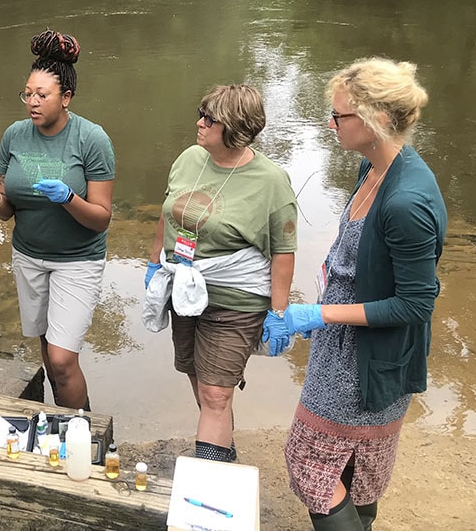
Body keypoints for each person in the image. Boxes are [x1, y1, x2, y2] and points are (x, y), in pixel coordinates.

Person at [264, 58, 447, 531]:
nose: (331, 123)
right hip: (343, 342)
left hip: (366, 357)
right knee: (355, 468)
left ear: (378, 119)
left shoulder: (407, 202)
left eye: (340, 115)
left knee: (309, 464)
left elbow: (415, 304)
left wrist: (318, 315)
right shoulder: (373, 167)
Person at [0, 29, 115, 410]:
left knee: (63, 358)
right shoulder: (14, 136)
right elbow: (8, 209)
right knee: (47, 348)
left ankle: (85, 433)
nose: (32, 102)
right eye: (27, 93)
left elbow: (101, 219)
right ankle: (58, 423)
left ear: (66, 98)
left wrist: (68, 198)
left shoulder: (91, 140)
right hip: (29, 257)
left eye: (41, 95)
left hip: (77, 260)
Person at [146, 84, 297, 463]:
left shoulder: (271, 182)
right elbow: (169, 215)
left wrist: (279, 314)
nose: (199, 122)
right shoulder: (189, 159)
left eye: (209, 118)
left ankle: (208, 483)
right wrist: (153, 264)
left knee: (216, 394)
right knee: (201, 383)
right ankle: (225, 458)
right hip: (185, 294)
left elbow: (283, 252)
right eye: (201, 113)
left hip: (236, 302)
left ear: (235, 128)